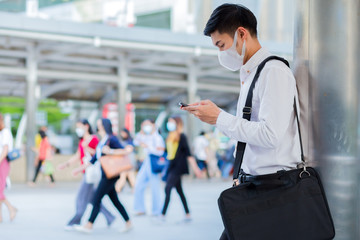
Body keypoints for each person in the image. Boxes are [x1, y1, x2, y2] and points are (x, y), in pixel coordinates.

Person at [182, 4, 300, 239]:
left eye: (221, 45)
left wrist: (219, 118)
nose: (220, 53)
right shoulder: (250, 74)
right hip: (256, 186)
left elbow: (270, 134)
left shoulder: (273, 72)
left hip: (272, 189)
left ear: (241, 34)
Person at [73, 118, 132, 233]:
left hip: (111, 175)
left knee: (96, 199)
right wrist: (79, 169)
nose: (97, 126)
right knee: (115, 201)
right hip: (106, 174)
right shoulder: (103, 140)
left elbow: (124, 151)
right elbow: (93, 159)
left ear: (104, 126)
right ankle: (128, 222)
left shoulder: (112, 139)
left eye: (99, 124)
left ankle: (89, 224)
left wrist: (111, 151)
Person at [57, 119, 115, 230]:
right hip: (86, 172)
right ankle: (110, 217)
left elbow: (98, 154)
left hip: (91, 173)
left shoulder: (93, 139)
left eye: (79, 126)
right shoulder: (82, 140)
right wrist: (66, 164)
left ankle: (75, 221)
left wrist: (87, 147)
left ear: (86, 126)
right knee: (92, 199)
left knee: (81, 198)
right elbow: (78, 155)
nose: (78, 129)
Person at [160, 117, 201, 222]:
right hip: (171, 165)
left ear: (178, 124)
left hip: (178, 167)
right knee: (179, 191)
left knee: (168, 188)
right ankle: (187, 214)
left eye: (171, 122)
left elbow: (188, 154)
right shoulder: (169, 137)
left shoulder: (182, 136)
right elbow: (168, 152)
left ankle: (162, 214)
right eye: (168, 122)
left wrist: (196, 169)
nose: (169, 124)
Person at [133, 119, 165, 216]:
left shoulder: (157, 138)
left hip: (153, 161)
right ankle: (140, 208)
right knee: (139, 184)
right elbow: (136, 141)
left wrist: (148, 147)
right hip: (147, 161)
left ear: (153, 125)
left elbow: (160, 152)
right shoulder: (146, 136)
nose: (146, 126)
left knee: (155, 186)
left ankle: (156, 210)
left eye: (147, 124)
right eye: (144, 125)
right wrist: (141, 131)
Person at [0, 113, 17, 223]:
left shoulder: (5, 132)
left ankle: (11, 208)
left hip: (3, 162)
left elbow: (5, 150)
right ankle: (1, 215)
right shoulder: (2, 133)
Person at [115, 128, 136, 193]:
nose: (122, 134)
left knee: (124, 176)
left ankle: (116, 189)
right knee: (128, 176)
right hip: (124, 162)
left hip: (129, 161)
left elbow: (129, 150)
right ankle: (135, 189)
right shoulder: (122, 141)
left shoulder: (130, 141)